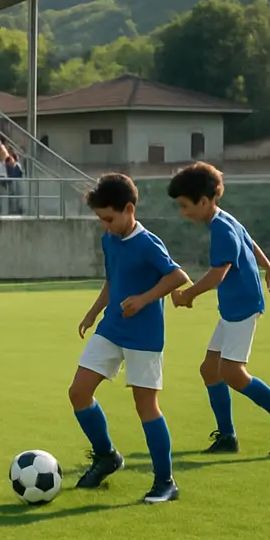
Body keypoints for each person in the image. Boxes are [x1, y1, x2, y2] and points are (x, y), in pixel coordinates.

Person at [71, 174, 189, 503]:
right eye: (100, 219)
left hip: (144, 336)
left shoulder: (148, 242)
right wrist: (92, 313)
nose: (105, 226)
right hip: (111, 328)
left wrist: (144, 299)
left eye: (109, 219)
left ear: (129, 210)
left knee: (145, 406)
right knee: (78, 392)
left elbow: (177, 276)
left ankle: (165, 482)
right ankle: (106, 455)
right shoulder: (110, 239)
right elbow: (112, 281)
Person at [168, 162, 270, 456]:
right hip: (234, 307)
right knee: (210, 370)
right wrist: (267, 266)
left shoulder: (221, 229)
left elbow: (217, 274)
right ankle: (227, 437)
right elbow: (249, 240)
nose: (183, 212)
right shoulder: (224, 219)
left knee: (233, 373)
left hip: (242, 308)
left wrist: (188, 295)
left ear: (204, 201)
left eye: (185, 206)